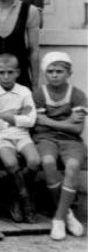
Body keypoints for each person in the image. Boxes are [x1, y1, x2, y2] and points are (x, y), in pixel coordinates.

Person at [31, 52, 87, 240]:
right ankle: (67, 214)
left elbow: (77, 129)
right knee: (47, 162)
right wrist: (66, 121)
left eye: (59, 71)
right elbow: (37, 125)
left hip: (71, 141)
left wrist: (48, 120)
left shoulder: (77, 94)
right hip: (45, 138)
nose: (54, 75)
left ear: (69, 73)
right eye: (50, 71)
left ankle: (58, 218)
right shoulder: (39, 94)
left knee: (72, 166)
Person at [0, 53, 40, 222]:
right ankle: (25, 200)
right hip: (1, 137)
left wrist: (5, 116)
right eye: (1, 72)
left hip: (22, 135)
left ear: (18, 72)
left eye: (10, 72)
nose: (6, 76)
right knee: (11, 163)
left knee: (34, 162)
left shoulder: (24, 92)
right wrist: (16, 118)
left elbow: (30, 120)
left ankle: (14, 196)